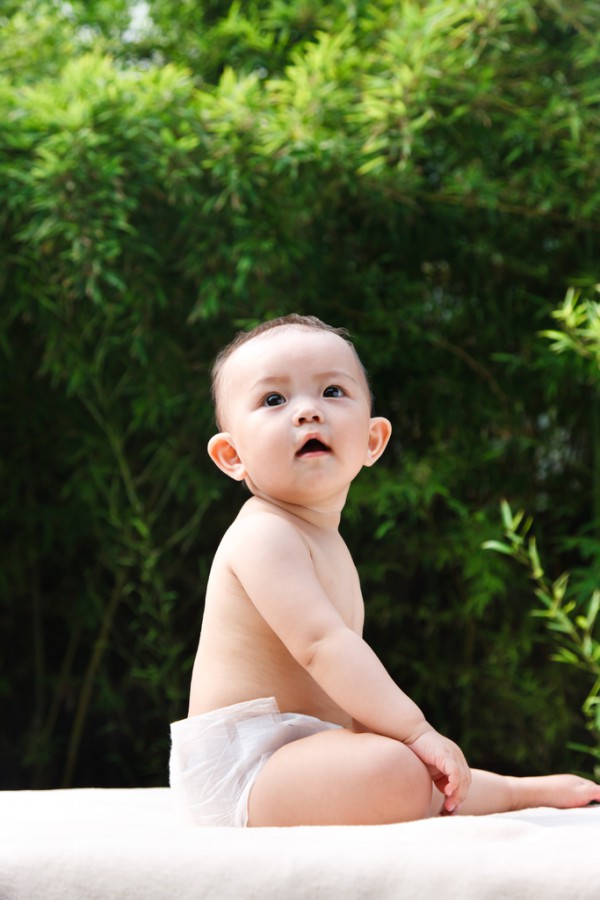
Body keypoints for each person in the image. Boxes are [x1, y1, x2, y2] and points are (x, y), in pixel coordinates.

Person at [169, 314, 600, 827]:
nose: (308, 412)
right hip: (245, 768)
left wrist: (400, 741)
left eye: (331, 391)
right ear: (232, 455)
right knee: (394, 764)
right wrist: (414, 730)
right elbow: (322, 645)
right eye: (274, 400)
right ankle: (502, 791)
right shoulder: (264, 533)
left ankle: (505, 788)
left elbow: (344, 693)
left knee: (399, 763)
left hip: (309, 752)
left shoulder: (328, 544)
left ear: (373, 441)